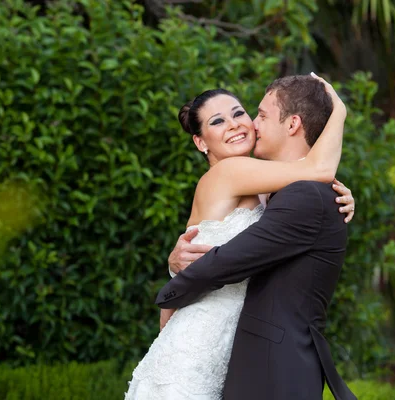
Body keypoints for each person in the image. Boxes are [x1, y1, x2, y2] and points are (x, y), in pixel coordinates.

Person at [125, 73, 355, 400]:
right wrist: (339, 112)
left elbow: (305, 189)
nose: (234, 124)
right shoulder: (228, 172)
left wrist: (342, 194)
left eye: (240, 113)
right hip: (201, 337)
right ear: (201, 142)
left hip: (232, 344)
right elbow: (317, 170)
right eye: (218, 122)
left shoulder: (267, 187)